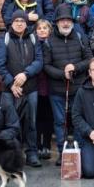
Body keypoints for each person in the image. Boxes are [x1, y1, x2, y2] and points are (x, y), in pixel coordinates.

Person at [0, 10, 44, 167]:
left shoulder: (33, 38)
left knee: (31, 121)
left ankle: (32, 153)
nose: (20, 23)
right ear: (12, 23)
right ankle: (12, 154)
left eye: (22, 21)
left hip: (30, 88)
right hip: (10, 90)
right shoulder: (4, 39)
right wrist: (12, 83)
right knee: (11, 123)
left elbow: (39, 60)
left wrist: (25, 74)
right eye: (17, 21)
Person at [43, 5, 93, 159]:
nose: (65, 23)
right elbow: (46, 65)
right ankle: (62, 153)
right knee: (59, 122)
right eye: (62, 21)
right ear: (57, 23)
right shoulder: (49, 41)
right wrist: (62, 74)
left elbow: (89, 59)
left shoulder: (80, 37)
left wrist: (75, 68)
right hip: (57, 90)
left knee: (78, 121)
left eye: (68, 20)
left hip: (79, 89)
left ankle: (78, 152)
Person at [35, 20, 55, 160]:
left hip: (50, 85)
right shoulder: (32, 44)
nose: (42, 30)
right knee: (36, 117)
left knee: (48, 117)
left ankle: (46, 144)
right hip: (35, 84)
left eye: (45, 28)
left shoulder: (53, 43)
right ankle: (37, 145)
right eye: (39, 28)